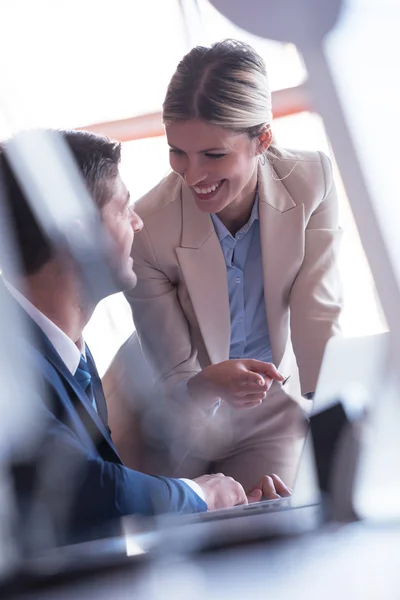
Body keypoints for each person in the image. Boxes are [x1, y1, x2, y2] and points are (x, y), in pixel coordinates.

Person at [0, 130, 290, 545]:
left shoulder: (72, 356)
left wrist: (233, 510)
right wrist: (199, 496)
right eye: (123, 208)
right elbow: (84, 488)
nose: (138, 222)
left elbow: (101, 508)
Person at [122, 39, 342, 489]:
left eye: (214, 154)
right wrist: (208, 384)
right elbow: (173, 380)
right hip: (165, 414)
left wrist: (333, 426)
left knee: (273, 530)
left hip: (265, 414)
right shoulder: (148, 228)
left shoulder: (311, 181)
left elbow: (317, 314)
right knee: (174, 542)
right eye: (177, 152)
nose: (193, 175)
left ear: (263, 138)